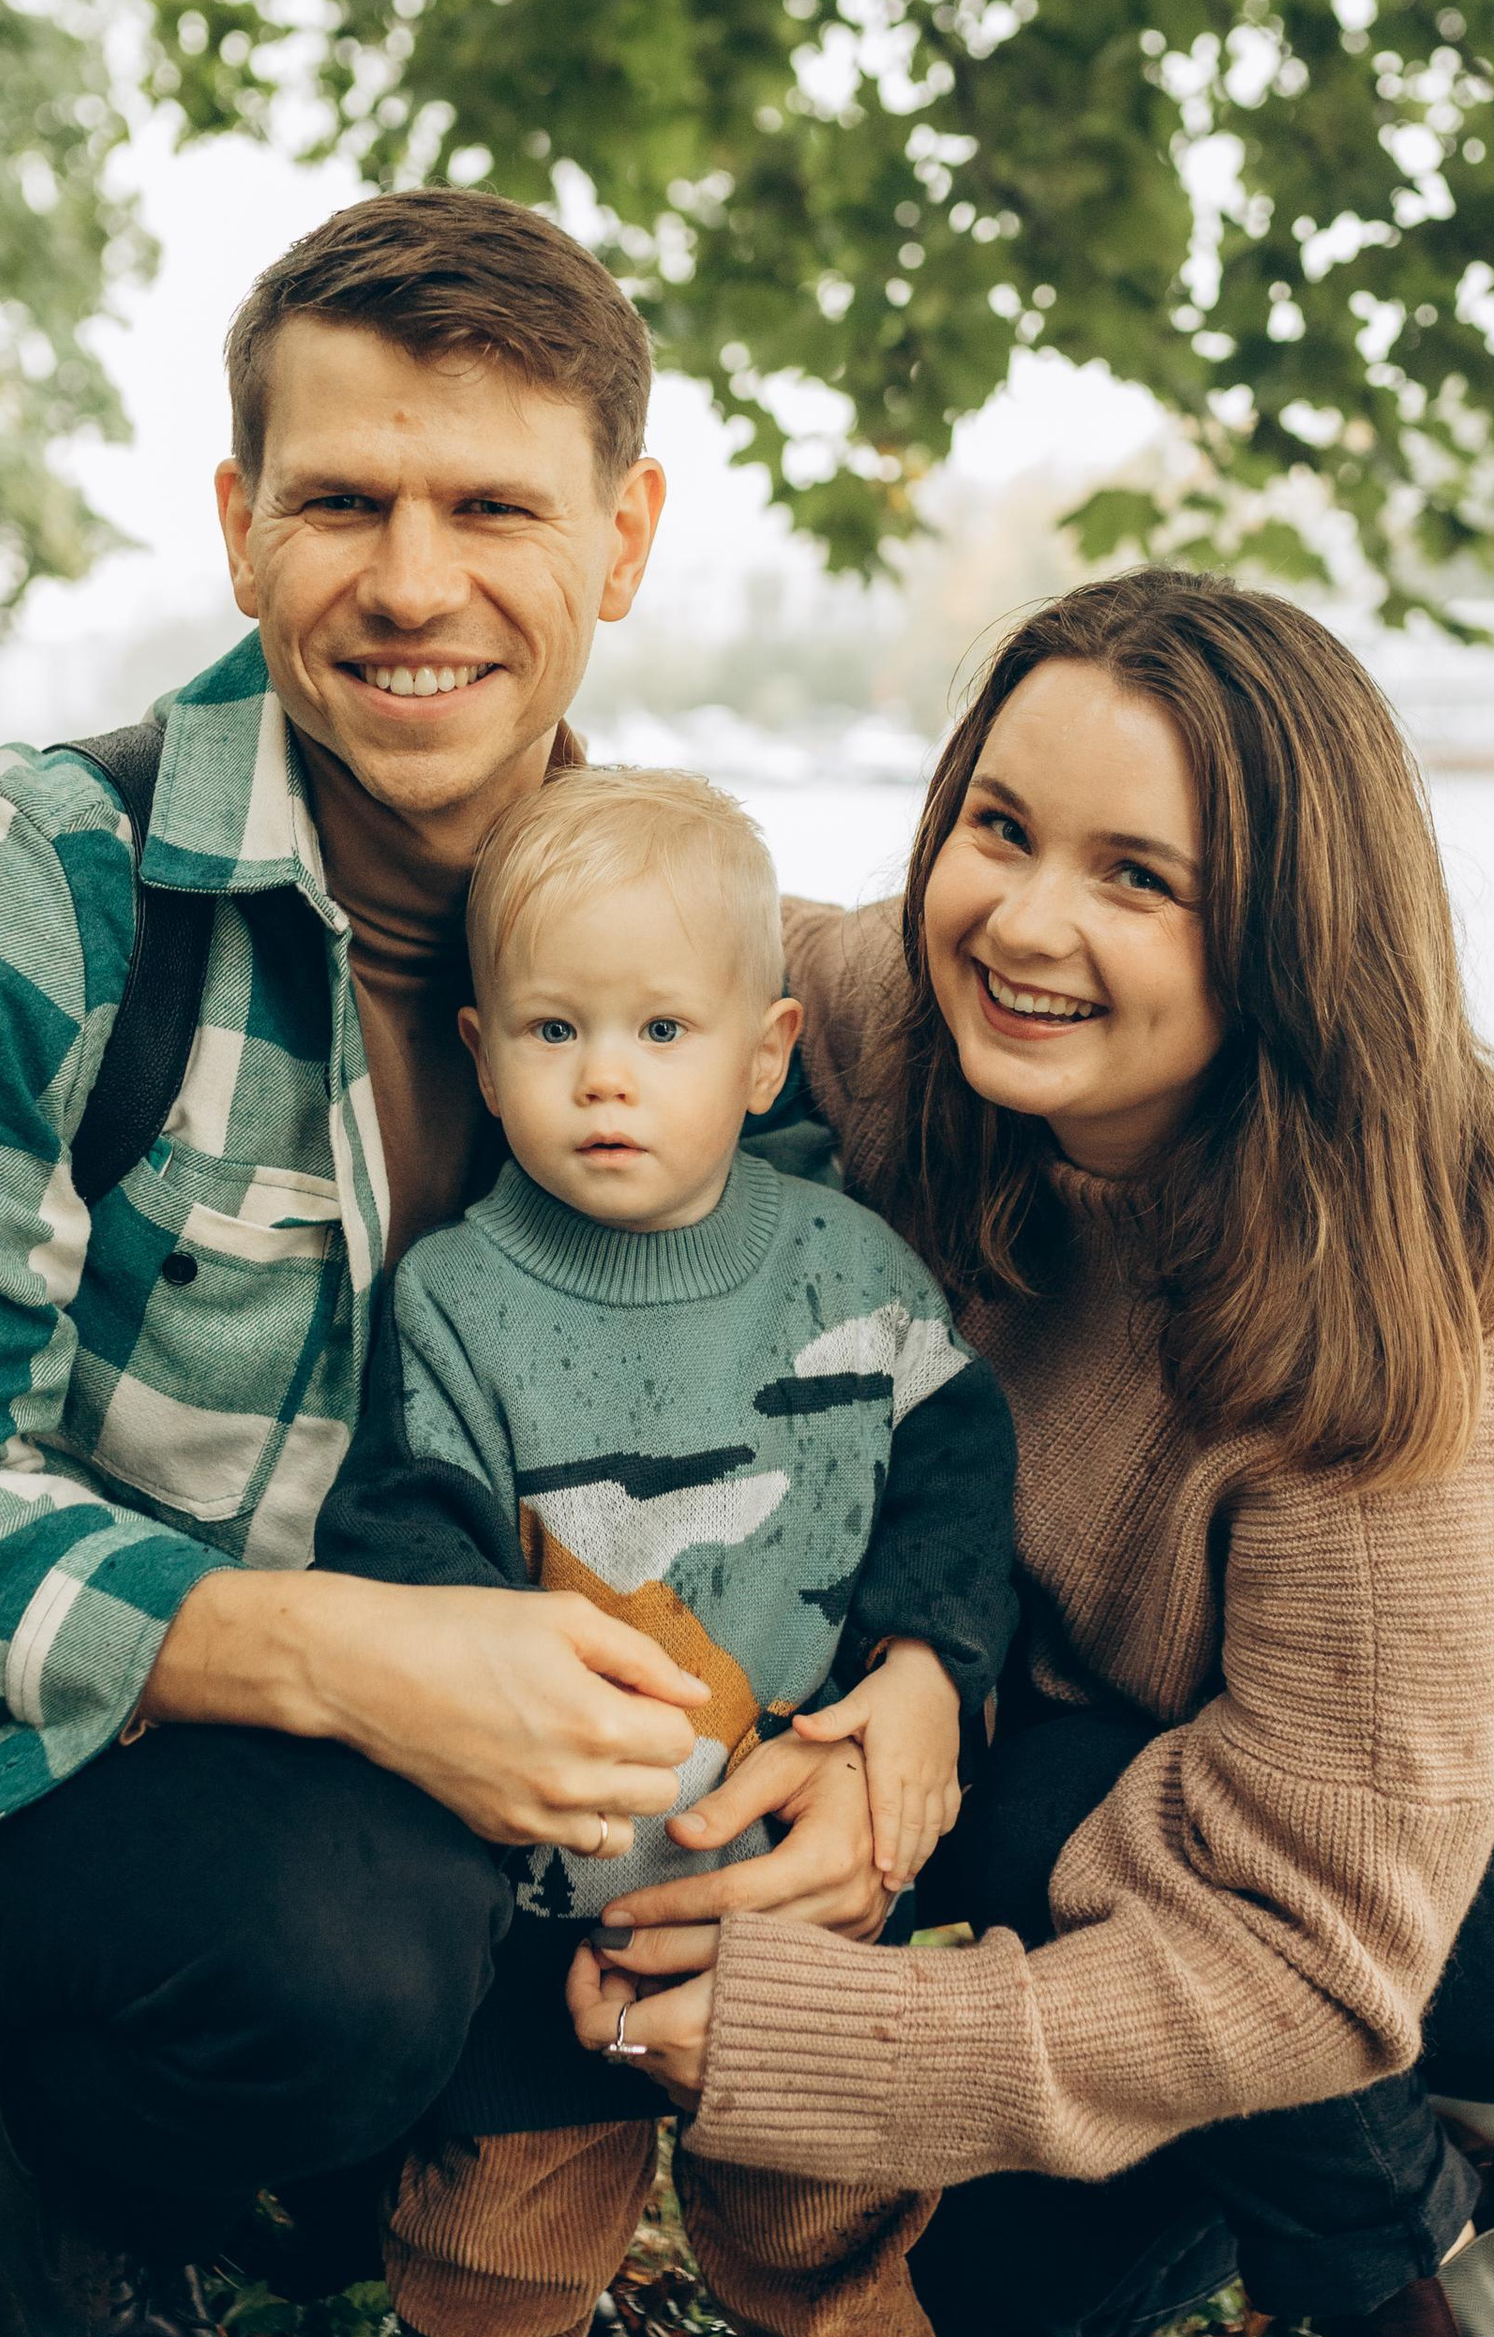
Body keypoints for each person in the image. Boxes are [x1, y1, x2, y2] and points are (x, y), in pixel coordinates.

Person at [0, 192, 894, 2337]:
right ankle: (62, 2162)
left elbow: (811, 1392)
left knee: (460, 1952)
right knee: (342, 1952)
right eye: (342, 500)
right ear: (239, 526)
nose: (414, 583)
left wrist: (901, 1713)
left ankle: (328, 2120)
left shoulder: (693, 963)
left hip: (436, 1747)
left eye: (493, 503)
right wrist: (347, 1656)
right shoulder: (15, 892)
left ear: (622, 535)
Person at [569, 570, 1494, 2337]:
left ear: (1284, 932)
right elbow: (645, 922)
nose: (1027, 923)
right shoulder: (906, 1018)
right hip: (1216, 1739)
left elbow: (1301, 1956)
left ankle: (1421, 2264)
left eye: (1140, 877)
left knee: (1055, 1814)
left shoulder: (1407, 1325)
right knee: (995, 2301)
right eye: (1000, 829)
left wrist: (830, 2048)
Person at [314, 766, 1018, 2337]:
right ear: (484, 1062)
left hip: (794, 1908)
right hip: (537, 1911)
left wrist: (927, 1665)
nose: (606, 1081)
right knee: (497, 2250)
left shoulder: (849, 1268)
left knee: (825, 2240)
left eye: (662, 1032)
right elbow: (403, 1542)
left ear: (767, 1056)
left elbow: (958, 1483)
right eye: (556, 1033)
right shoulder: (454, 1303)